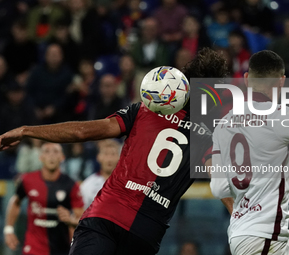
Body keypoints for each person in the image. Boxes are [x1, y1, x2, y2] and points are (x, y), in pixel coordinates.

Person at [0, 48, 229, 255]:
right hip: (146, 232)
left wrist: (26, 130)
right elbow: (219, 182)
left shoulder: (143, 111)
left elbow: (81, 132)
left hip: (106, 215)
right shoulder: (210, 134)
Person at [208, 50, 289, 254]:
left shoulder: (222, 124)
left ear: (246, 79)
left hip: (245, 236)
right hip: (265, 239)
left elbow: (218, 189)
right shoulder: (283, 116)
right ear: (281, 81)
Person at [4, 143, 84, 255]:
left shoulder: (71, 185)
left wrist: (70, 219)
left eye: (55, 152)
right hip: (33, 247)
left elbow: (81, 218)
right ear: (40, 157)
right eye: (47, 151)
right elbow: (15, 202)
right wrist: (8, 230)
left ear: (62, 157)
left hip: (61, 248)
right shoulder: (28, 180)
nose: (51, 155)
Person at [80, 139, 120, 209]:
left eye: (113, 154)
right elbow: (81, 211)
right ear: (98, 157)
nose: (109, 159)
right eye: (106, 154)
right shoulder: (88, 184)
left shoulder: (128, 184)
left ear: (119, 158)